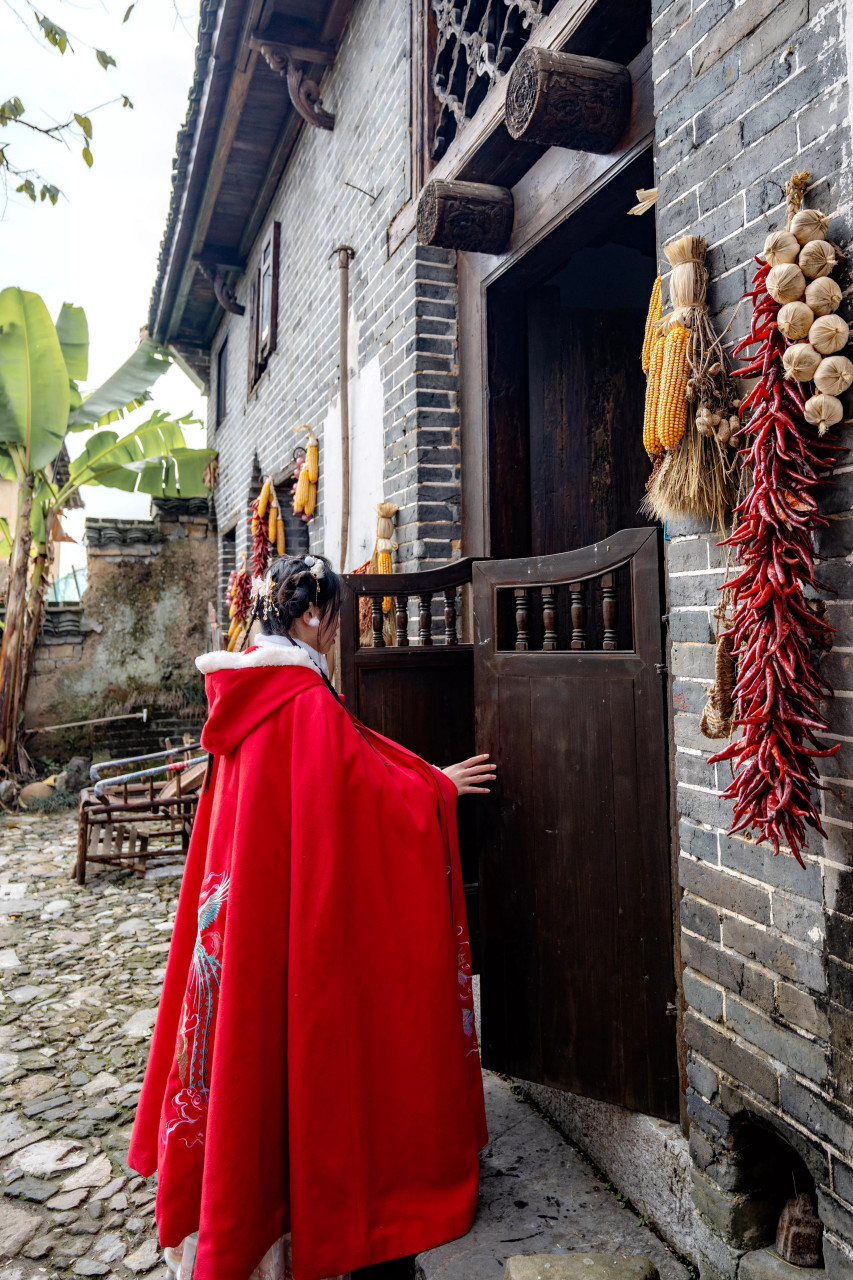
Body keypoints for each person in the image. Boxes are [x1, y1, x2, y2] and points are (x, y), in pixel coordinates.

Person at [129, 554, 495, 1280]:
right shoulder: (297, 697)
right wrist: (434, 791)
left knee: (244, 1044)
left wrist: (421, 776)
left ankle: (246, 1202)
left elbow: (352, 763)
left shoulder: (247, 690)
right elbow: (360, 792)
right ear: (309, 616)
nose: (340, 632)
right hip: (281, 910)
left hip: (240, 907)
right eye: (337, 616)